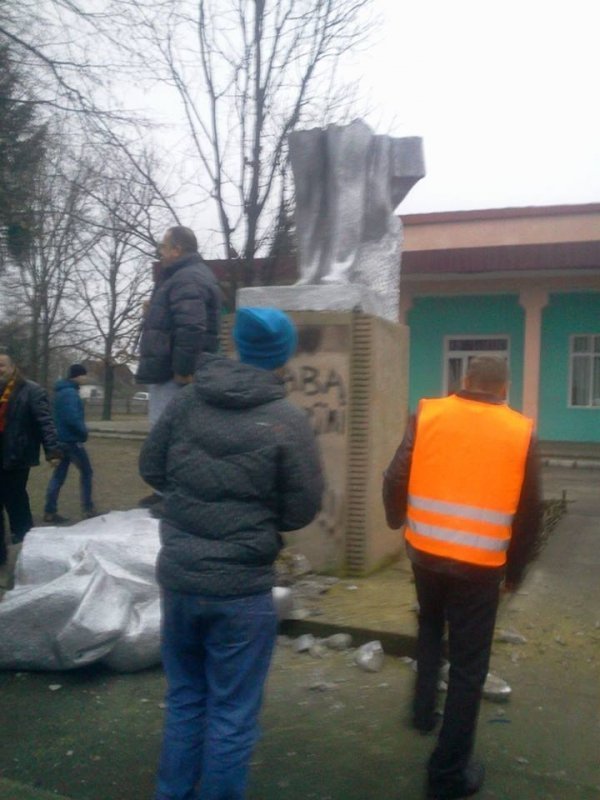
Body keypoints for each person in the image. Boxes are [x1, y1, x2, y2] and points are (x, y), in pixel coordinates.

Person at [139, 307, 323, 800]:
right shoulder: (287, 420)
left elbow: (151, 468)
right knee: (233, 714)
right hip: (241, 587)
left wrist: (191, 499)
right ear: (281, 355)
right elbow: (302, 508)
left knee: (185, 700)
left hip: (179, 578)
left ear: (238, 344)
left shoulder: (186, 403)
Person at [383, 356, 542, 800]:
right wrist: (516, 570)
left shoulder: (429, 414)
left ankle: (421, 712)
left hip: (426, 553)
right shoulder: (520, 430)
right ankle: (448, 774)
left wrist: (399, 519)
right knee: (470, 668)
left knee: (431, 625)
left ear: (464, 381)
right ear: (504, 390)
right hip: (480, 566)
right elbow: (530, 510)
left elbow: (395, 474)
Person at [136, 225, 222, 509]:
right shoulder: (184, 276)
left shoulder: (186, 278)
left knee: (170, 434)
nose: (160, 252)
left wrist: (184, 368)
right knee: (171, 432)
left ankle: (173, 495)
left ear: (177, 249)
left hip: (174, 373)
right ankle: (167, 493)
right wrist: (154, 312)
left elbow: (192, 325)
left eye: (163, 246)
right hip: (170, 368)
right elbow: (181, 320)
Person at [0, 348, 62, 555]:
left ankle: (25, 546)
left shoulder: (32, 390)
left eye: (1, 365)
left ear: (12, 367)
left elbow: (45, 422)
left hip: (16, 455)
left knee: (15, 499)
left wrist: (52, 451)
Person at [43, 363, 97, 524]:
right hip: (72, 441)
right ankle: (88, 508)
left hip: (59, 440)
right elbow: (72, 418)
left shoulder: (59, 392)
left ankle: (50, 511)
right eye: (84, 375)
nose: (86, 378)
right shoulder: (70, 394)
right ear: (78, 376)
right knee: (87, 473)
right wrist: (83, 433)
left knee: (58, 476)